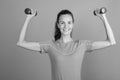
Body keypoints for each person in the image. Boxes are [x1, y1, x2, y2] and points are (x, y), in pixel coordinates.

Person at [17, 8, 116, 80]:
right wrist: (28, 18)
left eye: (69, 22)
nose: (66, 26)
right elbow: (21, 43)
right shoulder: (50, 45)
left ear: (73, 24)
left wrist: (103, 17)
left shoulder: (81, 45)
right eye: (62, 23)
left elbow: (111, 41)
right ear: (58, 24)